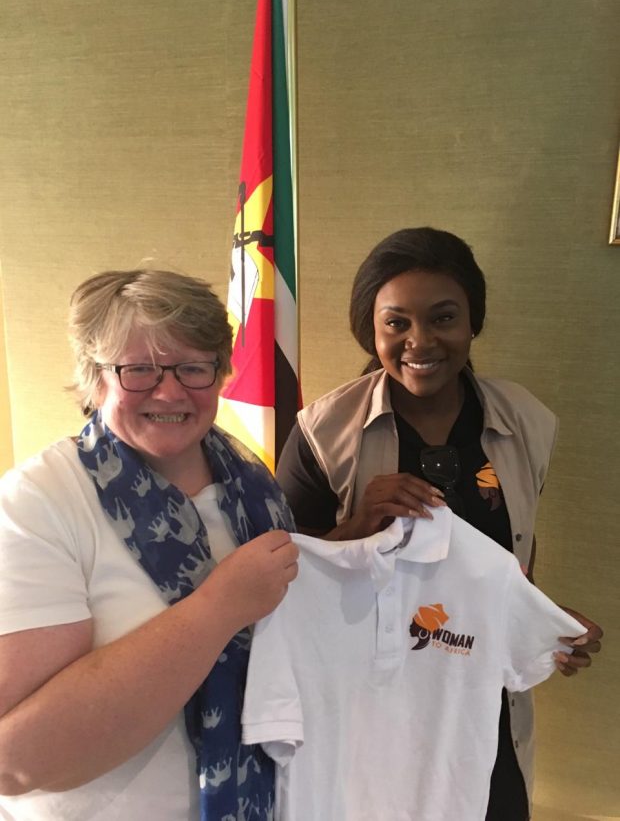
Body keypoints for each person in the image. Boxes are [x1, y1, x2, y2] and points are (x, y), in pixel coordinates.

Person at [276, 227, 603, 821]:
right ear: (370, 329)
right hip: (366, 705)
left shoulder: (527, 423)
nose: (419, 341)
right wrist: (354, 527)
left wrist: (546, 625)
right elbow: (276, 576)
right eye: (396, 323)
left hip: (473, 699)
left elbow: (497, 561)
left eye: (443, 318)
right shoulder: (324, 434)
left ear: (472, 322)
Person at [0, 268, 299, 820]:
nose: (169, 390)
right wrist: (218, 608)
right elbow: (16, 760)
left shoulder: (255, 487)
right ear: (95, 379)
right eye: (138, 369)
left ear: (221, 372)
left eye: (192, 367)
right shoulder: (37, 502)